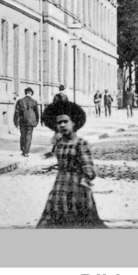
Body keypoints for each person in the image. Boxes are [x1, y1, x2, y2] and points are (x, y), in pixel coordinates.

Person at [38, 95, 104, 228]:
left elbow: (89, 168)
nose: (62, 125)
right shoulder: (60, 143)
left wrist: (85, 183)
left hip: (77, 187)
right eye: (59, 123)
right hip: (59, 187)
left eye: (65, 121)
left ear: (73, 123)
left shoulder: (80, 143)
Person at [14, 87, 40, 157]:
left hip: (22, 121)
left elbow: (17, 112)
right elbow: (37, 113)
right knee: (29, 136)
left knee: (23, 135)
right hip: (31, 122)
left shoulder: (20, 101)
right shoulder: (34, 101)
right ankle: (26, 152)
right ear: (31, 93)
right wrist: (37, 121)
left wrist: (15, 122)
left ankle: (23, 150)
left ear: (25, 93)